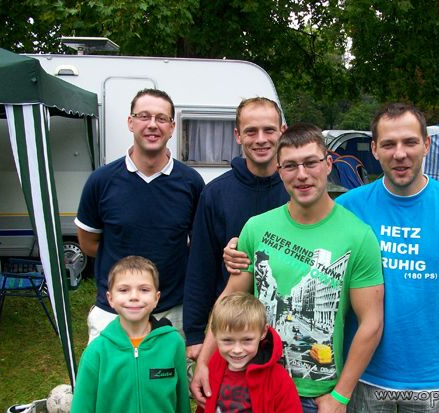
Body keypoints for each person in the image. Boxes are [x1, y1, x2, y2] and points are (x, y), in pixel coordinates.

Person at [191, 123, 384, 413]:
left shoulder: (358, 236)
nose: (302, 174)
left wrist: (341, 396)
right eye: (291, 166)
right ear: (279, 171)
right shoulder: (257, 227)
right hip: (254, 385)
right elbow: (229, 299)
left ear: (328, 164)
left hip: (316, 396)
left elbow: (371, 322)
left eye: (311, 162)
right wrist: (205, 362)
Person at [335, 103, 439, 412]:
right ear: (374, 149)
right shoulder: (349, 207)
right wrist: (242, 247)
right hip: (362, 377)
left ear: (426, 144)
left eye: (410, 142)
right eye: (389, 144)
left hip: (431, 381)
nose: (400, 154)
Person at [75, 88, 204, 342]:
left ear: (172, 127)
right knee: (107, 370)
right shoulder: (101, 181)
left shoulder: (191, 183)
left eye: (161, 118)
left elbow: (198, 245)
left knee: (170, 370)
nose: (152, 124)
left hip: (172, 310)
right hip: (113, 310)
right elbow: (89, 244)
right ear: (130, 122)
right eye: (144, 116)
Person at [183, 97, 289, 360]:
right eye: (251, 131)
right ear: (238, 135)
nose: (261, 139)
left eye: (269, 130)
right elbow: (200, 267)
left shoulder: (297, 189)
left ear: (282, 131)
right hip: (233, 332)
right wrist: (195, 334)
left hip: (287, 326)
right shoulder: (215, 194)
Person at [71, 256, 190, 413]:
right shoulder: (96, 352)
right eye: (124, 290)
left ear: (156, 298)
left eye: (144, 290)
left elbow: (182, 402)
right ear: (110, 299)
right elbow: (81, 407)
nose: (134, 296)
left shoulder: (173, 343)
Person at [196, 291, 302, 413]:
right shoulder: (214, 366)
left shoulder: (278, 379)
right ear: (214, 334)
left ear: (263, 332)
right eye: (227, 340)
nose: (237, 350)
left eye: (247, 340)